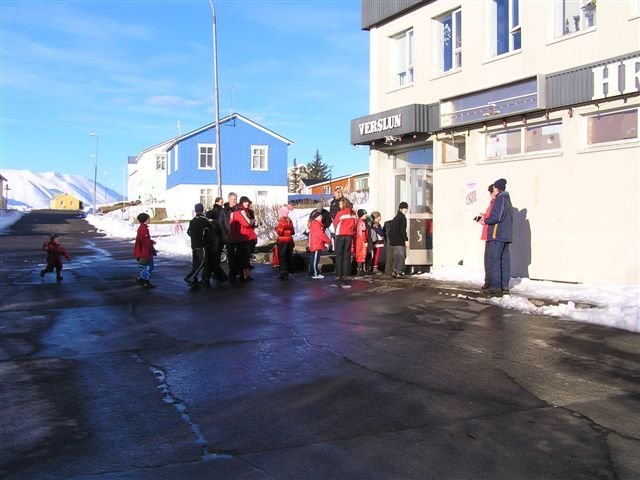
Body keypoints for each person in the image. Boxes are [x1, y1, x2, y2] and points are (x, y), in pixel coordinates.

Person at [483, 178, 513, 294]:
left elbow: (496, 217)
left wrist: (485, 220)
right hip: (505, 235)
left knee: (494, 261)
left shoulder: (500, 199)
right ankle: (504, 285)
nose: (494, 190)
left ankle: (495, 286)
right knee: (504, 262)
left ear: (497, 188)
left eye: (495, 188)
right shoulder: (508, 200)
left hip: (497, 234)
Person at [229, 196, 257, 281]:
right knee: (244, 257)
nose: (247, 203)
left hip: (241, 237)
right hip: (244, 237)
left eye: (248, 202)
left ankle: (241, 275)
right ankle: (244, 276)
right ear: (242, 203)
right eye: (245, 202)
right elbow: (247, 223)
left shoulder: (239, 211)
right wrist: (253, 221)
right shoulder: (241, 211)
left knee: (242, 257)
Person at [184, 203, 211, 289]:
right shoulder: (204, 220)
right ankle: (190, 277)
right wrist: (205, 239)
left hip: (194, 245)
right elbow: (210, 230)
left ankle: (194, 279)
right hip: (202, 245)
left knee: (196, 263)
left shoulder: (192, 221)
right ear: (202, 210)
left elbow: (188, 232)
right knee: (202, 263)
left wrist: (194, 238)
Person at [476, 184, 496, 290]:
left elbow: (493, 218)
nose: (491, 195)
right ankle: (488, 282)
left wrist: (484, 219)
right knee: (488, 261)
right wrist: (484, 216)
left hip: (491, 235)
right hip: (488, 235)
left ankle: (489, 283)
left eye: (491, 192)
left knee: (489, 261)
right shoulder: (492, 203)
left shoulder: (496, 203)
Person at [204, 197, 228, 285]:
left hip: (210, 238)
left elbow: (206, 225)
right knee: (216, 258)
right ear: (217, 202)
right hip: (218, 238)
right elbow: (223, 225)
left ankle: (208, 277)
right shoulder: (222, 212)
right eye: (221, 202)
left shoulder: (209, 212)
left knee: (210, 258)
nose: (222, 203)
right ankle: (220, 275)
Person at [332, 197, 356, 281]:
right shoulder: (353, 213)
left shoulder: (340, 213)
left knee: (339, 255)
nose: (339, 205)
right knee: (347, 254)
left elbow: (335, 223)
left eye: (340, 204)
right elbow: (355, 223)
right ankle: (347, 273)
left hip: (340, 234)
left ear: (344, 204)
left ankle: (339, 274)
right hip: (349, 235)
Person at [134, 212, 157, 288]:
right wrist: (151, 242)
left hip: (143, 251)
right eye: (148, 218)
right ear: (145, 219)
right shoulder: (144, 229)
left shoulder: (142, 228)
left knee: (146, 267)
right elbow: (144, 241)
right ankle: (145, 281)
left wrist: (151, 241)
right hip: (145, 252)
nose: (149, 220)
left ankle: (141, 278)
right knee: (148, 267)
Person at [219, 192, 238, 280]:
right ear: (229, 199)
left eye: (236, 199)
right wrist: (225, 235)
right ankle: (232, 273)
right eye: (234, 199)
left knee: (238, 255)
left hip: (238, 236)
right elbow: (220, 223)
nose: (235, 201)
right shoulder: (223, 211)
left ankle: (239, 271)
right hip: (228, 236)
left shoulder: (238, 209)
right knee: (231, 255)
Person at [388, 201, 409, 278]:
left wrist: (391, 240)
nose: (406, 210)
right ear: (400, 209)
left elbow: (390, 231)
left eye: (406, 208)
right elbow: (402, 230)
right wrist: (406, 240)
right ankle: (399, 272)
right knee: (401, 256)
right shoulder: (402, 218)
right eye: (404, 208)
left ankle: (394, 271)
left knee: (396, 256)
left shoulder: (396, 218)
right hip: (399, 241)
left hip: (394, 242)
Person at [308, 210, 331, 279]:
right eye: (320, 216)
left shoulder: (316, 224)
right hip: (316, 245)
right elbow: (321, 234)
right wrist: (328, 240)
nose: (321, 217)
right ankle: (315, 273)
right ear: (316, 217)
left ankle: (313, 272)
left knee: (315, 259)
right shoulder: (316, 224)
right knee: (315, 259)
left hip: (317, 244)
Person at [275, 205, 296, 280]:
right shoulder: (289, 220)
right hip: (289, 240)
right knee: (288, 256)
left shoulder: (281, 221)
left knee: (282, 257)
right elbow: (293, 232)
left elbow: (280, 232)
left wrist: (276, 228)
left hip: (283, 241)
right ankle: (290, 271)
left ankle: (283, 273)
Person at [354, 208, 369, 276]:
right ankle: (360, 270)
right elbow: (362, 232)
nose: (366, 215)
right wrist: (365, 241)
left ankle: (360, 269)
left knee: (359, 254)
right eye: (365, 214)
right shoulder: (362, 222)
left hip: (358, 240)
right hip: (361, 240)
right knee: (362, 254)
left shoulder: (357, 221)